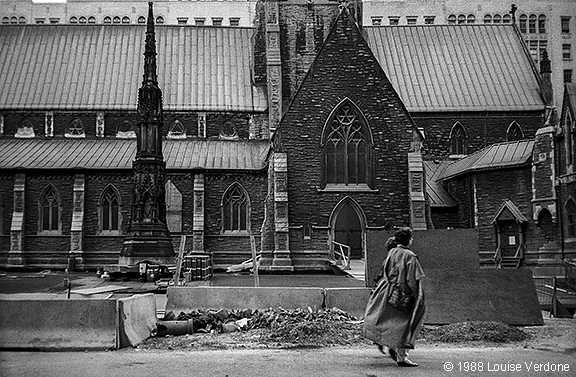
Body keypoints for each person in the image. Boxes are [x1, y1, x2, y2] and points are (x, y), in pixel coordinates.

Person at [363, 227, 426, 367]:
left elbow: (385, 269)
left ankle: (384, 342)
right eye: (411, 238)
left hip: (388, 291)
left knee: (388, 320)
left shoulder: (392, 252)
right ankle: (402, 357)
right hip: (403, 294)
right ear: (408, 240)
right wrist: (417, 297)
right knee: (405, 325)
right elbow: (411, 280)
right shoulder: (410, 256)